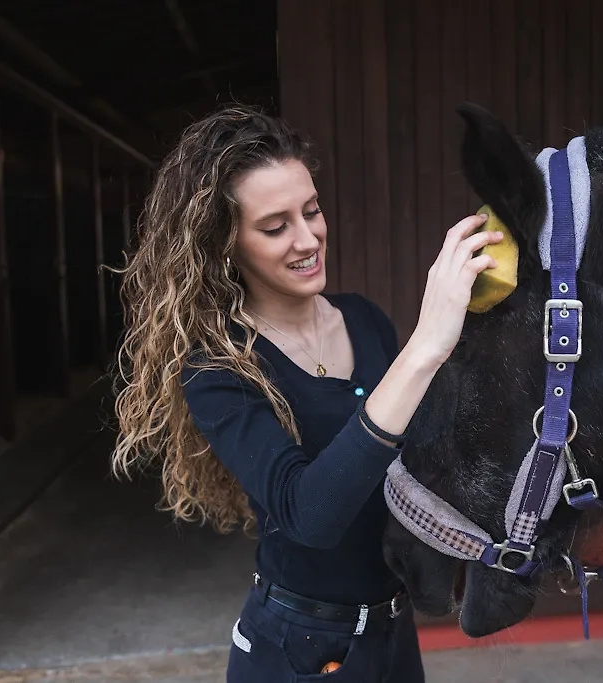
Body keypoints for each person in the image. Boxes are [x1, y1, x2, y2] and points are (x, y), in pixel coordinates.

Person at [110, 103, 502, 682]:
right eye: (275, 226)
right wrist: (424, 349)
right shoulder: (218, 369)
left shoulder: (364, 320)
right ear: (226, 244)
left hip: (394, 636)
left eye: (312, 211)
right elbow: (309, 514)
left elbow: (422, 458)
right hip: (299, 649)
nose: (307, 237)